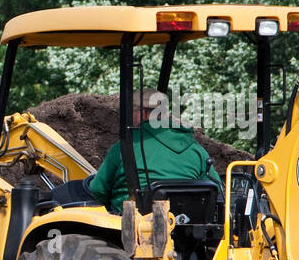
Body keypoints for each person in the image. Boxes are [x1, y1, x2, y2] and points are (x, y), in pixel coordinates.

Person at [59, 89, 223, 214]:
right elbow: (216, 188)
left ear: (144, 113)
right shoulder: (196, 149)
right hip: (187, 229)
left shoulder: (125, 147)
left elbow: (98, 190)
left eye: (132, 112)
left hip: (128, 227)